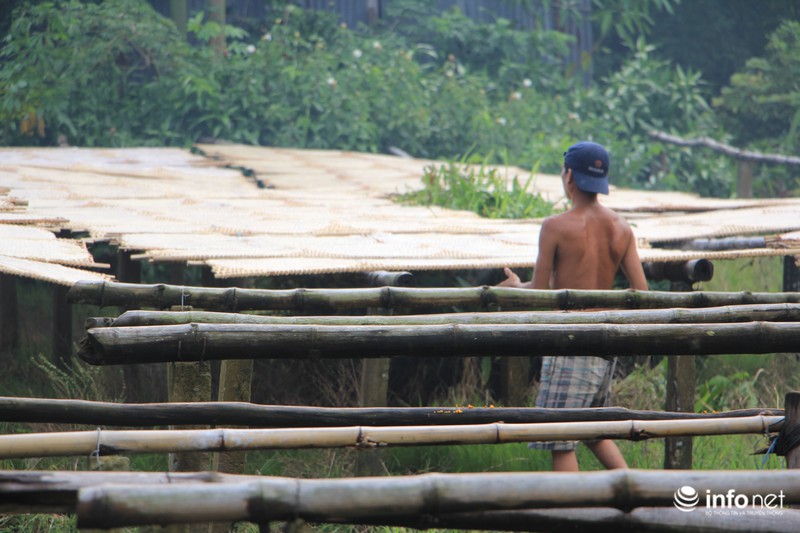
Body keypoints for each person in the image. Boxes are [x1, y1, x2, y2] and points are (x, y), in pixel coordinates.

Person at [498, 141, 648, 472]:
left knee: (560, 438)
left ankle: (576, 515)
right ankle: (637, 493)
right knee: (594, 430)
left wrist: (515, 289)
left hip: (569, 341)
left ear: (569, 176)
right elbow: (642, 293)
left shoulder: (555, 226)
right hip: (605, 341)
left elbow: (539, 291)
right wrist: (605, 318)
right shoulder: (621, 228)